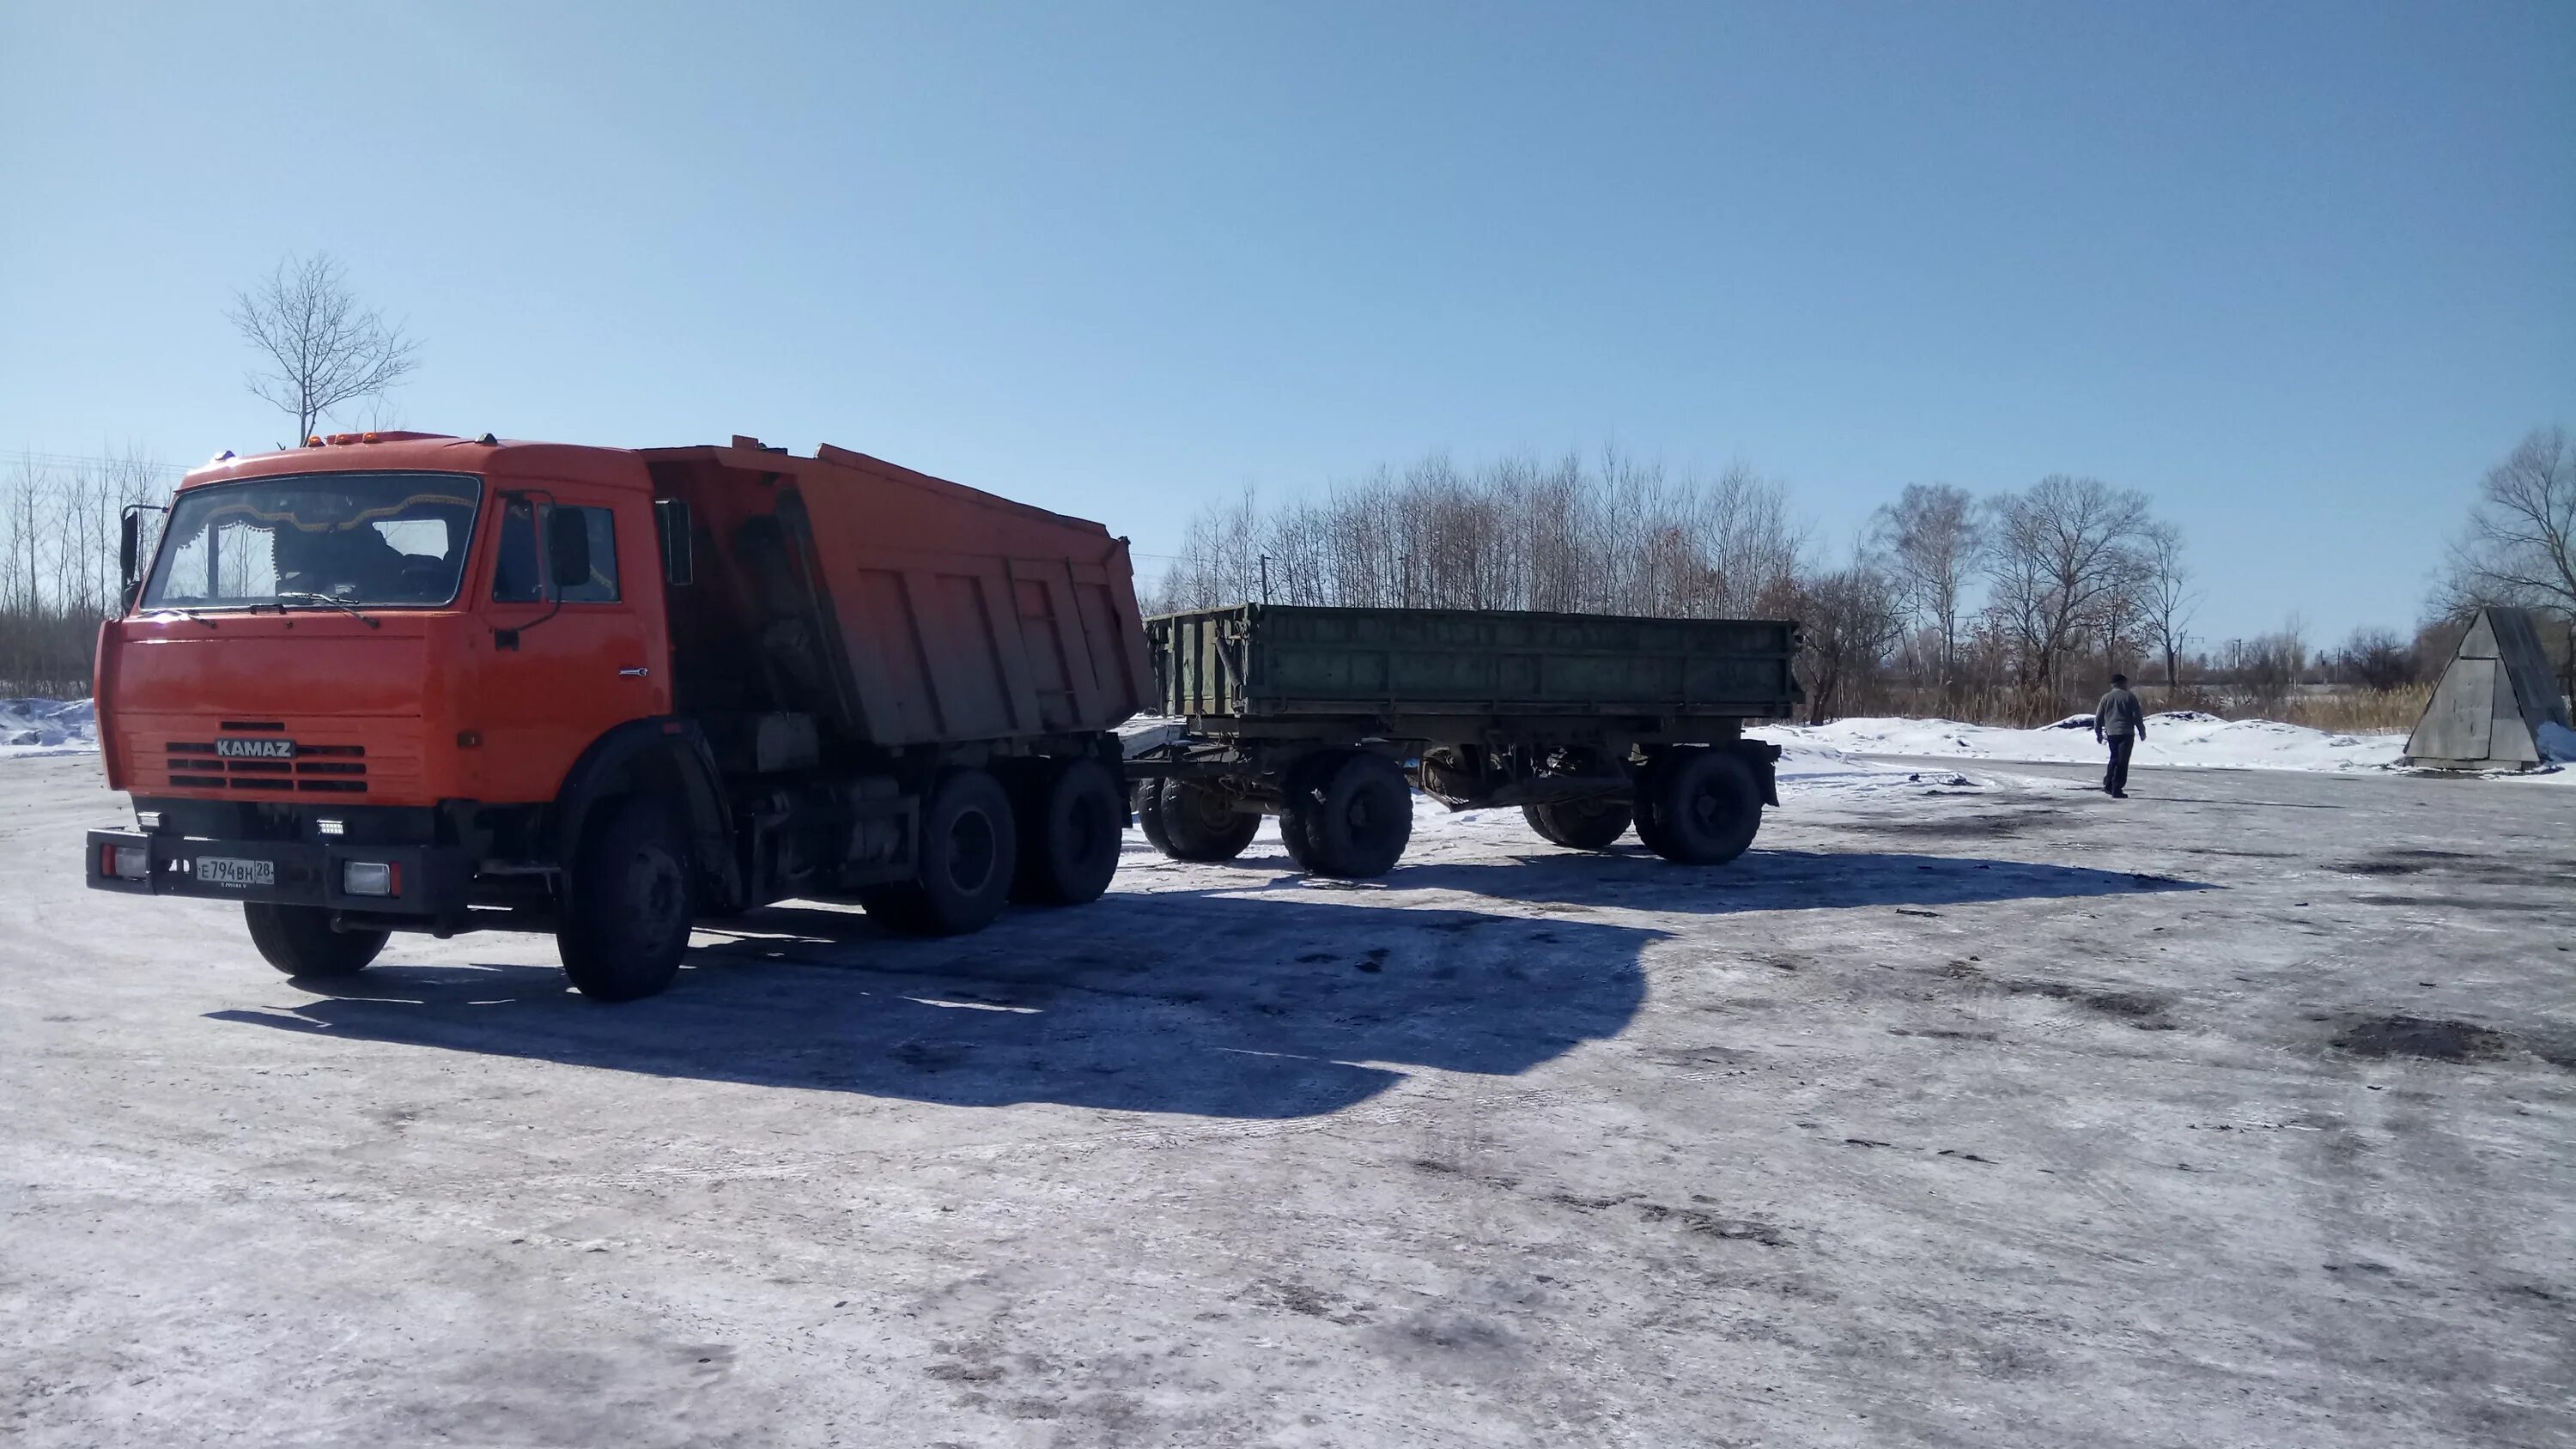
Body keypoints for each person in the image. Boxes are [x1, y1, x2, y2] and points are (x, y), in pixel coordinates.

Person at [2093, 673, 2147, 797]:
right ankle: (2117, 788)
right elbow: (2137, 716)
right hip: (2126, 733)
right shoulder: (2129, 697)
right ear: (2122, 683)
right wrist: (2141, 731)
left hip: (2112, 733)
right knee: (2123, 761)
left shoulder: (2106, 698)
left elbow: (2098, 717)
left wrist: (2098, 733)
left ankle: (2108, 784)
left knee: (2114, 758)